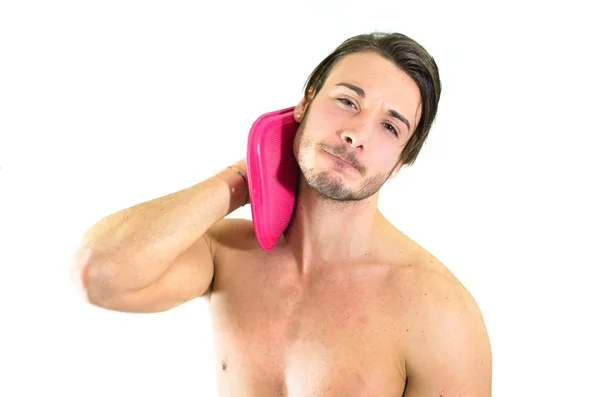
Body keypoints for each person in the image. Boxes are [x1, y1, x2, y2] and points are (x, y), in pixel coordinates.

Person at [71, 32, 492, 396]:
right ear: (303, 105)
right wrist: (240, 179)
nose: (356, 134)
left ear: (402, 161)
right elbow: (99, 274)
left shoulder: (438, 313)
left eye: (390, 127)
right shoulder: (227, 255)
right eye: (347, 101)